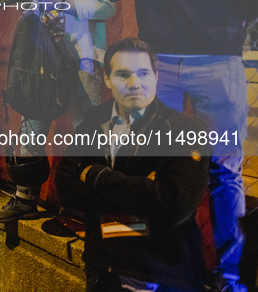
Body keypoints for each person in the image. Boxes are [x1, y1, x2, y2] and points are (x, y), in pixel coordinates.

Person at [105, 0, 258, 291]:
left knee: (225, 171)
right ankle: (148, 269)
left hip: (219, 61)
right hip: (160, 66)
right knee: (149, 165)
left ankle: (232, 277)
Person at [0, 0, 115, 221]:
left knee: (86, 134)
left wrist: (64, 4)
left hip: (83, 59)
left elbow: (106, 6)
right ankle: (25, 198)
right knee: (30, 129)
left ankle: (85, 208)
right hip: (45, 62)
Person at [56, 38, 209, 291]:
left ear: (156, 76)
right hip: (102, 268)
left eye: (143, 73)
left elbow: (173, 205)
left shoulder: (186, 130)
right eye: (123, 74)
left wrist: (96, 177)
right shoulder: (92, 123)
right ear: (107, 79)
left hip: (162, 274)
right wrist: (142, 192)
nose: (134, 84)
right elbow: (66, 190)